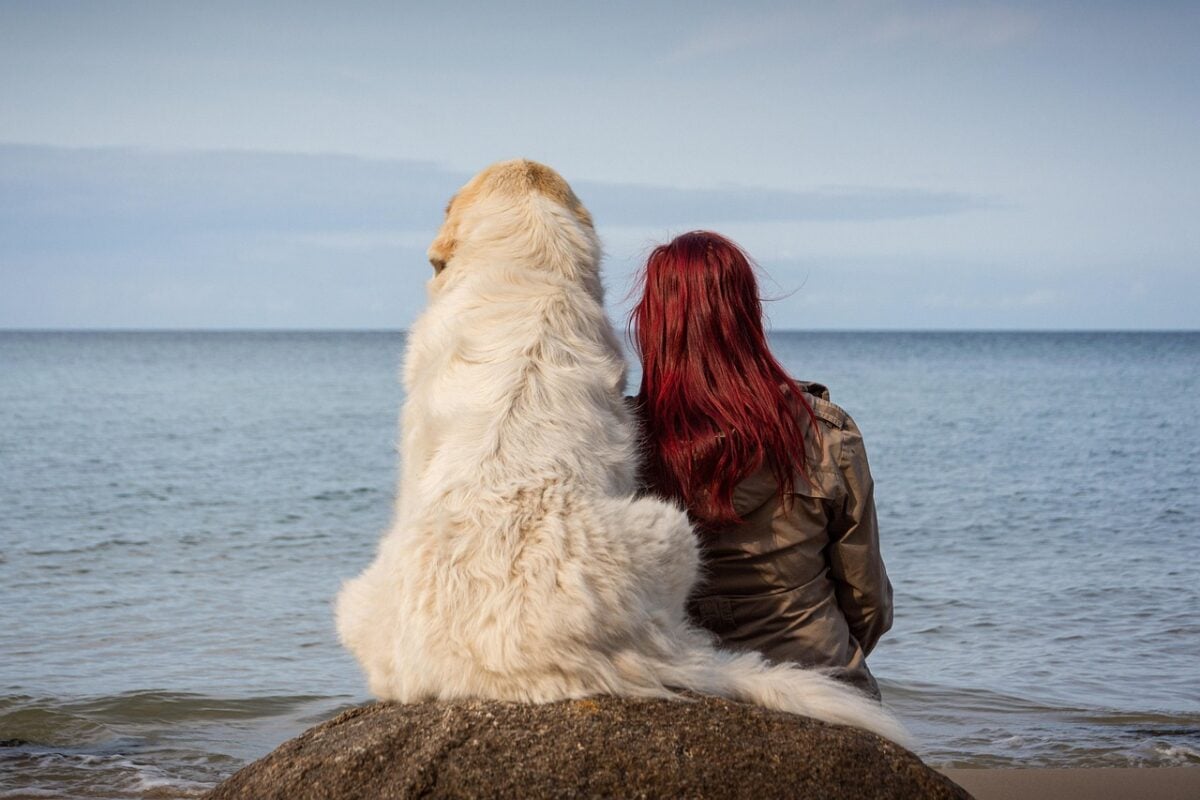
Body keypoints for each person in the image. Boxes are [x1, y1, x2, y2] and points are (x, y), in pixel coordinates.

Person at [629, 230, 893, 698]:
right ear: (747, 318)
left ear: (653, 325)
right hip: (826, 689)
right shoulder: (825, 435)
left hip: (688, 688)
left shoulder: (619, 445)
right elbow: (868, 605)